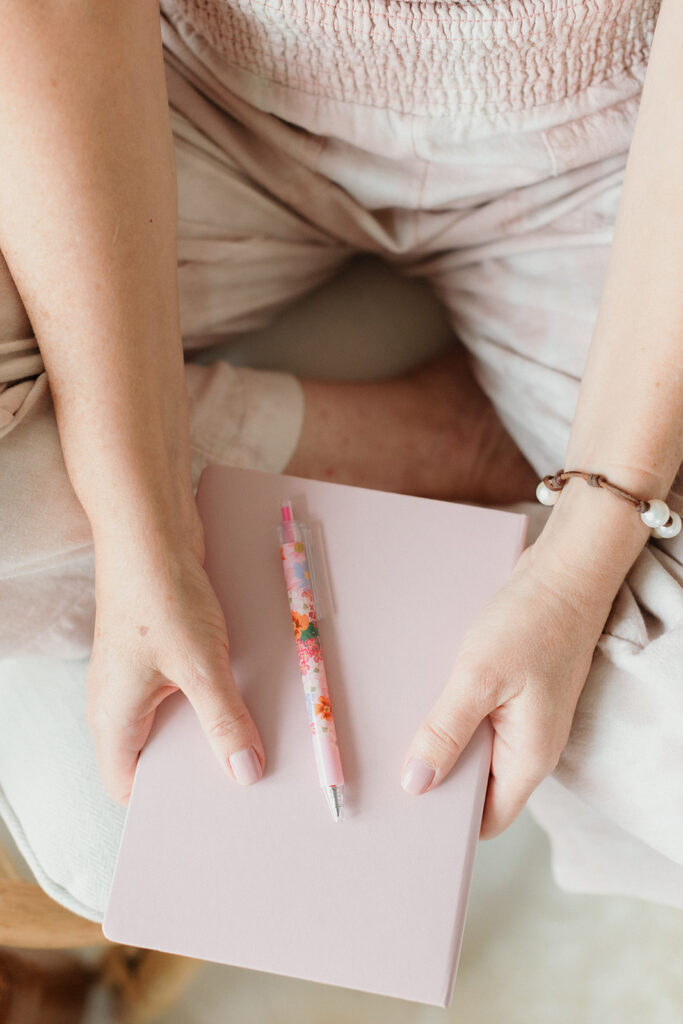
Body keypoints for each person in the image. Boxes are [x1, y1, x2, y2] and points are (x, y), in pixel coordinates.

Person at [0, 0, 680, 899]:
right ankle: (432, 443)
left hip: (615, 151)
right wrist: (142, 532)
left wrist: (584, 557)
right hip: (189, 97)